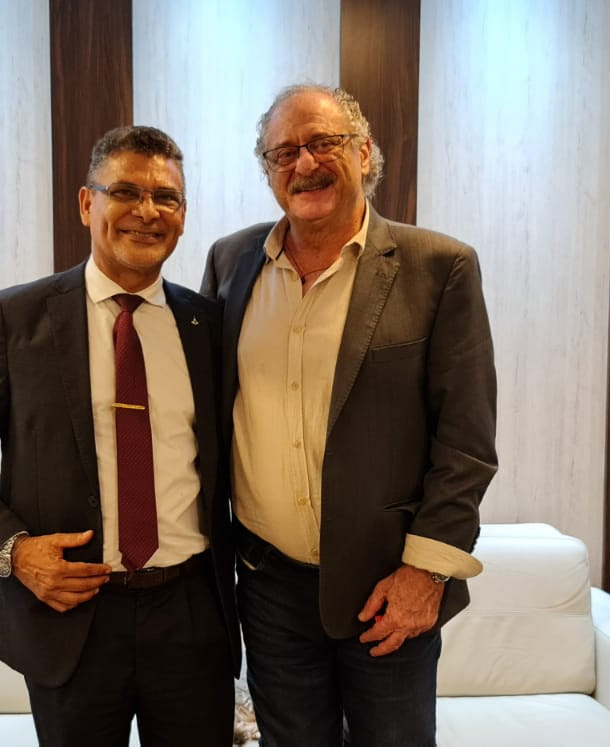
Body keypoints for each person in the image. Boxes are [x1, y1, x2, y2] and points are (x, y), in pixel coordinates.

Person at [201, 85, 498, 746]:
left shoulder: (439, 268)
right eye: (283, 153)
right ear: (269, 172)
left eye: (322, 143)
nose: (303, 163)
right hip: (268, 588)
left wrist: (426, 572)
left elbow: (467, 442)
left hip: (387, 587)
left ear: (364, 153)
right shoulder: (230, 262)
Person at [0, 125, 235, 746]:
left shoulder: (209, 325)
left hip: (192, 616)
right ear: (88, 203)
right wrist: (13, 551)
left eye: (166, 197)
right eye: (126, 191)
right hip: (70, 619)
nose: (147, 211)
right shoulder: (17, 319)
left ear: (183, 215)